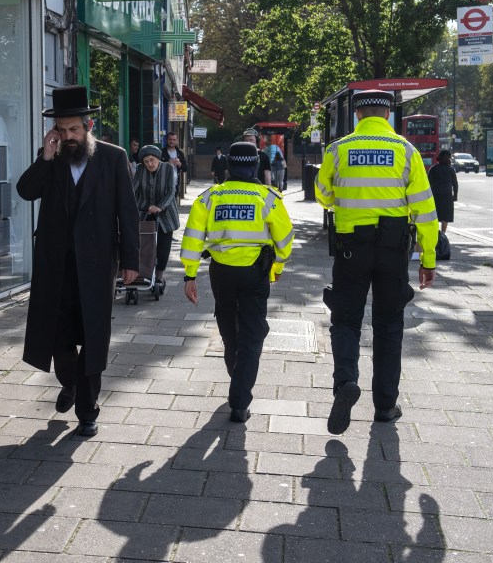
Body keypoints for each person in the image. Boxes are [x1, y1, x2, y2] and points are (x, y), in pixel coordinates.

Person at [16, 85, 139, 437]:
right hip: (55, 267)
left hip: (98, 266)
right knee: (58, 339)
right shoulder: (51, 160)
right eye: (62, 130)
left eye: (74, 130)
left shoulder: (113, 158)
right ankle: (69, 383)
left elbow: (127, 213)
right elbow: (26, 191)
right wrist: (45, 156)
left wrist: (131, 260)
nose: (68, 136)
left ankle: (87, 408)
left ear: (88, 127)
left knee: (93, 337)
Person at [314, 89, 438, 435]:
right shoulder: (406, 151)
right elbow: (425, 211)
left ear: (357, 115)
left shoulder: (338, 150)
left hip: (351, 247)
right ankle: (385, 406)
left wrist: (345, 193)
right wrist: (427, 258)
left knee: (345, 320)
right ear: (387, 116)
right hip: (393, 249)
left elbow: (323, 195)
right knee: (388, 325)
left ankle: (345, 384)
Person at [181, 141, 293, 422]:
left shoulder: (210, 197)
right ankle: (240, 401)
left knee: (229, 328)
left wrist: (190, 274)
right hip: (255, 273)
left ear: (228, 166)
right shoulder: (269, 198)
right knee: (253, 335)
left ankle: (235, 365)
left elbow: (193, 237)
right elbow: (285, 239)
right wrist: (276, 267)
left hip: (221, 273)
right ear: (255, 165)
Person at [133, 145, 179, 285]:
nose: (149, 164)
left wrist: (160, 207)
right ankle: (143, 273)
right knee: (144, 245)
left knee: (163, 248)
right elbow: (133, 190)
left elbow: (171, 191)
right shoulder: (140, 170)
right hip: (145, 212)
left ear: (158, 159)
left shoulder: (168, 168)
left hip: (165, 215)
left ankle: (159, 277)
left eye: (152, 160)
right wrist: (138, 205)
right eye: (146, 161)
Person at [428, 149, 458, 233]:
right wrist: (455, 195)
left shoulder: (433, 169)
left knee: (435, 215)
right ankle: (443, 234)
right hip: (447, 195)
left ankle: (435, 233)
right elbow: (455, 184)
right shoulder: (451, 169)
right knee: (445, 216)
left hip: (435, 195)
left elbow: (428, 183)